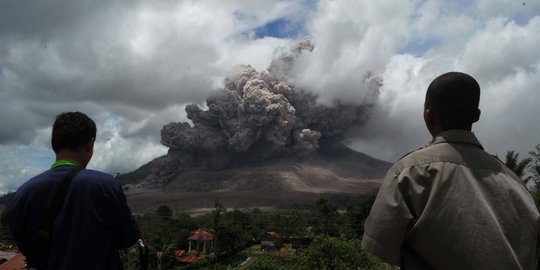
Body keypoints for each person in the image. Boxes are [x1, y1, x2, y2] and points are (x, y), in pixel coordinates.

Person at [362, 72, 540, 269]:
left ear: (427, 116)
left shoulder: (409, 173)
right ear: (476, 116)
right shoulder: (516, 184)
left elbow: (379, 251)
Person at [9, 112, 138, 270]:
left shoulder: (24, 192)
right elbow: (127, 238)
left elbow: (26, 247)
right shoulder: (106, 185)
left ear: (54, 144)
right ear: (89, 145)